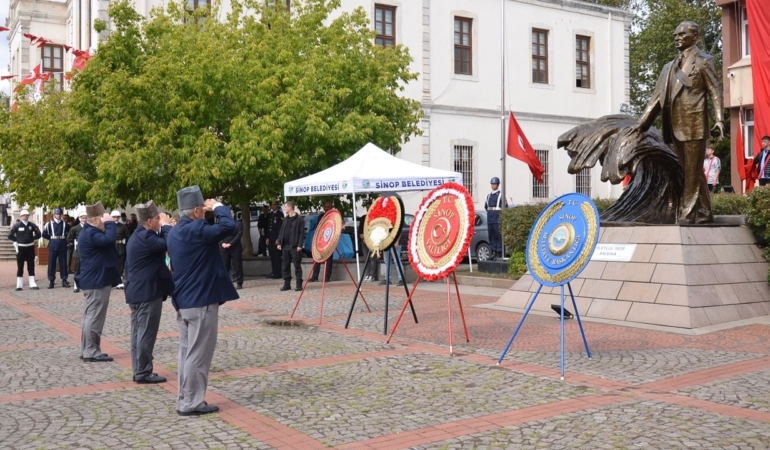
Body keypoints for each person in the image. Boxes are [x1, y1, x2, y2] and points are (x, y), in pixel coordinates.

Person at [636, 21, 723, 223]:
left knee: (692, 171)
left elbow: (715, 90)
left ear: (695, 36)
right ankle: (705, 212)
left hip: (694, 124)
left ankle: (688, 212)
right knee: (689, 170)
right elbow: (656, 100)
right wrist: (640, 126)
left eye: (682, 34)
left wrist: (719, 118)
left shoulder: (704, 61)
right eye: (675, 34)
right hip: (674, 126)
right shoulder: (669, 67)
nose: (677, 37)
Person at [167, 185, 239, 416]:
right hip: (200, 302)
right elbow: (229, 226)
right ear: (197, 210)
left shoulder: (175, 231)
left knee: (187, 354)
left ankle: (184, 398)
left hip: (184, 300)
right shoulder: (197, 229)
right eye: (203, 210)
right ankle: (192, 402)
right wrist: (217, 206)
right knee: (198, 355)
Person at [125, 202, 174, 384]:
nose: (159, 222)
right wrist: (168, 227)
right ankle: (143, 372)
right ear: (148, 221)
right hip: (147, 294)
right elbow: (170, 243)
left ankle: (139, 369)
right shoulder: (146, 237)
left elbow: (160, 244)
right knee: (145, 334)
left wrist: (164, 227)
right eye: (157, 219)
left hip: (137, 292)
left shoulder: (139, 235)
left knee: (138, 334)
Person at [76, 202, 121, 363]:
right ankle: (91, 350)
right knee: (94, 316)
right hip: (96, 281)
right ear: (95, 220)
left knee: (90, 316)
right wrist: (110, 223)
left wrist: (107, 223)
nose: (105, 223)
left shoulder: (89, 231)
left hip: (94, 279)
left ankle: (87, 348)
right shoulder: (91, 233)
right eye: (102, 220)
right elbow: (109, 239)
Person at [8, 209, 41, 291]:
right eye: (24, 215)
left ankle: (32, 283)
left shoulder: (32, 225)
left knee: (31, 265)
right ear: (21, 216)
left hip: (30, 247)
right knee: (20, 266)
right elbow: (10, 235)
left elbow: (39, 234)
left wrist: (32, 238)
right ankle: (19, 284)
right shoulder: (16, 225)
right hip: (21, 248)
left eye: (27, 215)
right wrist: (17, 240)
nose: (25, 217)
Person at [277, 201, 305, 291]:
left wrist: (300, 245)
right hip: (285, 246)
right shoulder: (285, 219)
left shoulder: (299, 219)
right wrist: (279, 243)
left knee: (297, 265)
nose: (284, 209)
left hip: (294, 246)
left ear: (290, 207)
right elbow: (281, 231)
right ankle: (287, 283)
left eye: (285, 207)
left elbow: (301, 233)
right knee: (285, 265)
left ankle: (299, 284)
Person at [42, 207, 71, 289]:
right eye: (56, 214)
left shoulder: (65, 224)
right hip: (53, 244)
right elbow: (44, 234)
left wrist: (67, 241)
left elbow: (70, 233)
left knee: (63, 263)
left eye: (59, 214)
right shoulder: (49, 224)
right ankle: (51, 281)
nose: (58, 215)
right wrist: (51, 238)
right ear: (54, 215)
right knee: (51, 264)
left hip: (62, 244)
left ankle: (64, 279)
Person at [309, 201, 335, 283]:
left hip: (330, 240)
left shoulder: (334, 215)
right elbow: (318, 227)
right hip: (321, 240)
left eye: (328, 207)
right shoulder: (321, 216)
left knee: (329, 259)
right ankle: (315, 276)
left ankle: (327, 277)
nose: (326, 208)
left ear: (331, 207)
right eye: (325, 207)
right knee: (317, 258)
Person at [220, 207, 244, 290]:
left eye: (231, 213)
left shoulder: (238, 223)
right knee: (225, 266)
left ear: (233, 214)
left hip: (235, 247)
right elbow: (219, 234)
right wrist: (222, 243)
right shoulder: (223, 224)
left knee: (238, 266)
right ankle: (225, 283)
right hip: (224, 247)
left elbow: (238, 235)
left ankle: (239, 282)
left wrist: (230, 243)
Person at [485, 177, 507, 260]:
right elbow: (486, 206)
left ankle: (498, 252)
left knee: (498, 235)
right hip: (490, 218)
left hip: (497, 218)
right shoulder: (488, 196)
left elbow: (505, 206)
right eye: (492, 184)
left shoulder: (501, 195)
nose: (493, 185)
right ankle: (493, 251)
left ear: (497, 185)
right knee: (491, 235)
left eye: (494, 184)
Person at [66, 208, 88, 293]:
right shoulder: (75, 228)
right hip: (78, 250)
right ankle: (76, 284)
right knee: (77, 268)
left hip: (88, 250)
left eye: (86, 218)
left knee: (86, 268)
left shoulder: (90, 227)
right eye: (83, 218)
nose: (84, 219)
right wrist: (73, 243)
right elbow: (69, 239)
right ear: (79, 219)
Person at [111, 210, 130, 289]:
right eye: (114, 217)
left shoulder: (123, 226)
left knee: (120, 264)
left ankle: (118, 280)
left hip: (120, 246)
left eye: (117, 217)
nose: (116, 218)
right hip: (111, 246)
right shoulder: (107, 226)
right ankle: (111, 280)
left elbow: (128, 236)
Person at [265, 202, 284, 279]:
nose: (273, 206)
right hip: (270, 238)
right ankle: (274, 271)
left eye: (274, 205)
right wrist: (267, 237)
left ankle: (278, 273)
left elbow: (280, 227)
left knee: (277, 256)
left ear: (277, 205)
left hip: (276, 238)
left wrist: (278, 238)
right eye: (272, 205)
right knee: (272, 256)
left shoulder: (280, 215)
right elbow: (268, 227)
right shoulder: (270, 215)